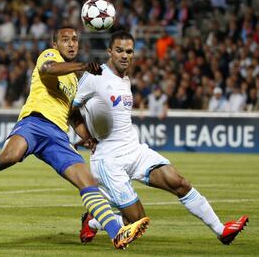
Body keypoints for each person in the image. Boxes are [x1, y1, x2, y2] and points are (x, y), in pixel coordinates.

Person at [0, 26, 149, 249]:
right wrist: (84, 66)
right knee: (10, 156)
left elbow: (73, 114)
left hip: (57, 136)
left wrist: (87, 137)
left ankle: (117, 234)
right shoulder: (49, 56)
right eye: (65, 39)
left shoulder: (75, 81)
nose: (71, 43)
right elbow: (49, 70)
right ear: (55, 44)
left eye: (75, 40)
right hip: (34, 123)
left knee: (86, 181)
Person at [73, 30, 248, 246]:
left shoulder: (125, 80)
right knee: (137, 221)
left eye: (129, 51)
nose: (125, 55)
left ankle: (222, 230)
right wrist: (84, 134)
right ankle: (92, 223)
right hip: (109, 160)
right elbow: (70, 107)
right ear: (109, 51)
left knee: (179, 182)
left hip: (135, 150)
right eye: (119, 50)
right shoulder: (94, 76)